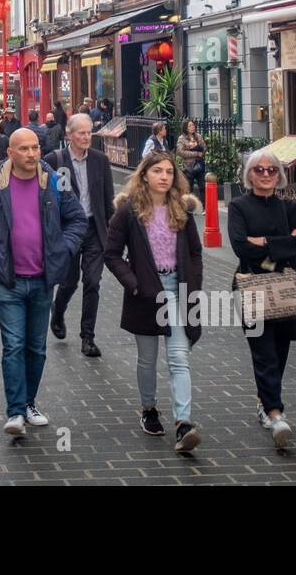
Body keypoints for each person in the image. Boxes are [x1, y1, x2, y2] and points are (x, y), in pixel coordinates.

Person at [0, 127, 88, 436]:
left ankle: (30, 403)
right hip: (8, 279)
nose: (32, 154)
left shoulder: (55, 180)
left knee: (36, 348)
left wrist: (63, 249)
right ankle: (15, 411)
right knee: (14, 346)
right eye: (25, 149)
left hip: (43, 279)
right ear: (10, 153)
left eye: (35, 148)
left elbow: (77, 220)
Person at [101, 151, 205, 453]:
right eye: (157, 171)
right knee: (147, 358)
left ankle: (183, 424)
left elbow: (195, 253)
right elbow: (111, 254)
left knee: (178, 357)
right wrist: (134, 285)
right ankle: (148, 409)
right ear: (144, 174)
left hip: (177, 288)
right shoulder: (129, 211)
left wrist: (194, 285)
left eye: (169, 172)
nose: (164, 177)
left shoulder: (181, 209)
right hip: (146, 290)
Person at [228, 150, 296, 451]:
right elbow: (240, 247)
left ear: (279, 175)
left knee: (280, 350)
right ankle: (276, 414)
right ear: (249, 175)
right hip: (252, 287)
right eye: (259, 170)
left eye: (271, 170)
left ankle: (265, 401)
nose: (265, 174)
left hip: (285, 287)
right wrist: (282, 243)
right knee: (264, 353)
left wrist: (262, 241)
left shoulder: (289, 207)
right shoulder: (239, 207)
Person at [45, 113, 115, 358]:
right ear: (69, 135)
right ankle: (59, 310)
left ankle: (88, 337)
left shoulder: (100, 161)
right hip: (68, 231)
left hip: (95, 229)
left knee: (93, 282)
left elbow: (108, 202)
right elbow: (44, 199)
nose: (86, 137)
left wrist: (113, 233)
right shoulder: (55, 161)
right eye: (81, 133)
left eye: (89, 132)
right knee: (69, 281)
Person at [176, 118, 207, 198]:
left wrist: (199, 148)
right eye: (190, 125)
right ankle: (189, 207)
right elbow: (180, 152)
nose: (192, 127)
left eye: (193, 125)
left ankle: (204, 206)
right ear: (185, 127)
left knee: (203, 187)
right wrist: (195, 153)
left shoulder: (198, 136)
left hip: (199, 164)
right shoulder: (181, 138)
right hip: (189, 166)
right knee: (189, 188)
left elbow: (205, 148)